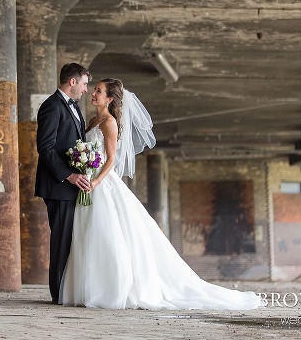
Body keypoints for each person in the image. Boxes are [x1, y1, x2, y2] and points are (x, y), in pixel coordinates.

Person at [59, 78, 261, 310]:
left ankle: (109, 290)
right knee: (89, 233)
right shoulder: (94, 120)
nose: (93, 93)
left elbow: (112, 159)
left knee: (105, 232)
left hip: (100, 184)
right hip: (87, 179)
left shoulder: (109, 122)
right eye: (94, 90)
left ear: (110, 98)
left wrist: (96, 181)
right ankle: (88, 288)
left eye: (99, 91)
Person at [34, 63, 92, 304]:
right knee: (61, 239)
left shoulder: (75, 107)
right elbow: (45, 148)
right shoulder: (51, 106)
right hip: (59, 186)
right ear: (72, 82)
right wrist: (69, 175)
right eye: (85, 84)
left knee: (70, 239)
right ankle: (58, 293)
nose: (86, 90)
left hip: (71, 186)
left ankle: (67, 290)